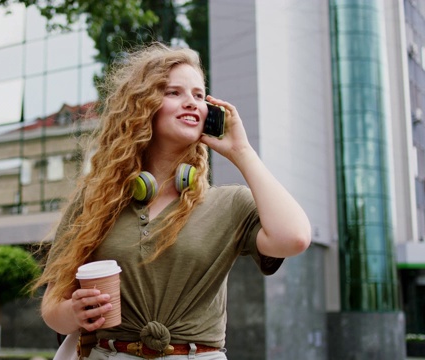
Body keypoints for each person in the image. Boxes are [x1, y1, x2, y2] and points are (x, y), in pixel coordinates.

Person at [33, 42, 312, 359]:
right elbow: (53, 305)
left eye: (198, 94)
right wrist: (75, 313)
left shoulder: (230, 203)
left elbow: (295, 238)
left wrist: (242, 152)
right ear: (143, 106)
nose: (191, 103)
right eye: (174, 93)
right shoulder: (97, 199)